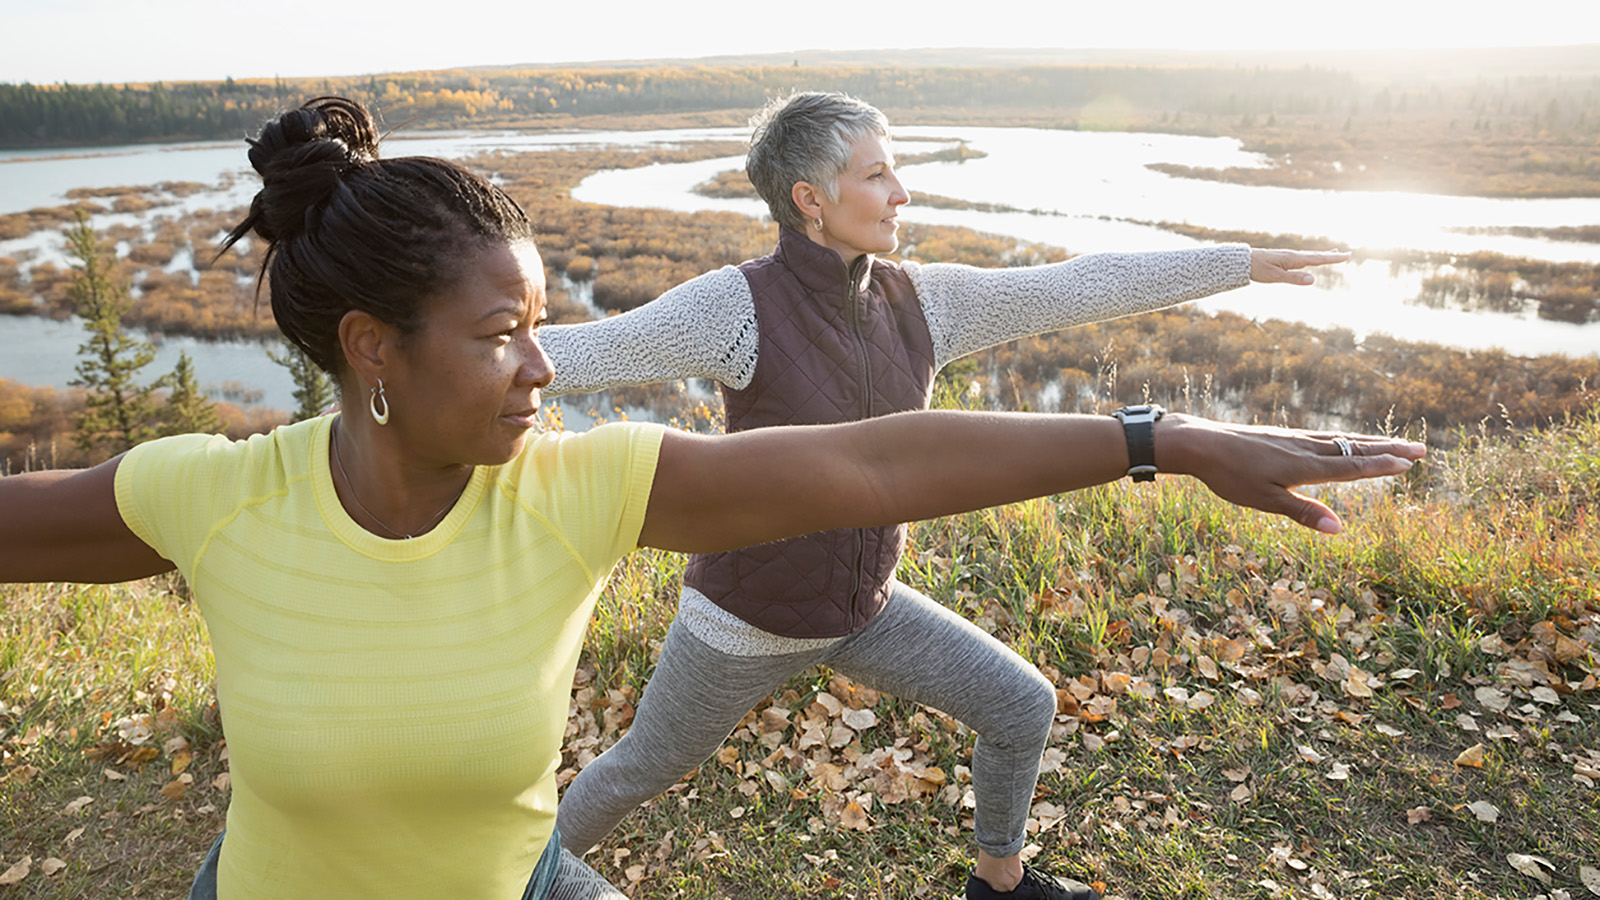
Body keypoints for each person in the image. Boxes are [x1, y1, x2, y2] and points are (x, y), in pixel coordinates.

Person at [0, 96, 1423, 900]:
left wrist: (1166, 427)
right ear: (375, 351)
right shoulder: (212, 498)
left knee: (1010, 701)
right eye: (504, 337)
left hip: (600, 817)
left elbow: (880, 458)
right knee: (636, 772)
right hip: (712, 642)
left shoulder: (574, 488)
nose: (545, 368)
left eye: (543, 326)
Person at [541, 91, 1358, 900]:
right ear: (810, 200)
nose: (902, 193)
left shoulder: (922, 300)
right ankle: (516, 873)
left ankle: (1001, 884)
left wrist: (1240, 264)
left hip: (865, 607)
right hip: (744, 622)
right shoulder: (735, 305)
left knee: (1021, 704)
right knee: (641, 769)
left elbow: (1075, 286)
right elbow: (578, 354)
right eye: (879, 175)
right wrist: (411, 380)